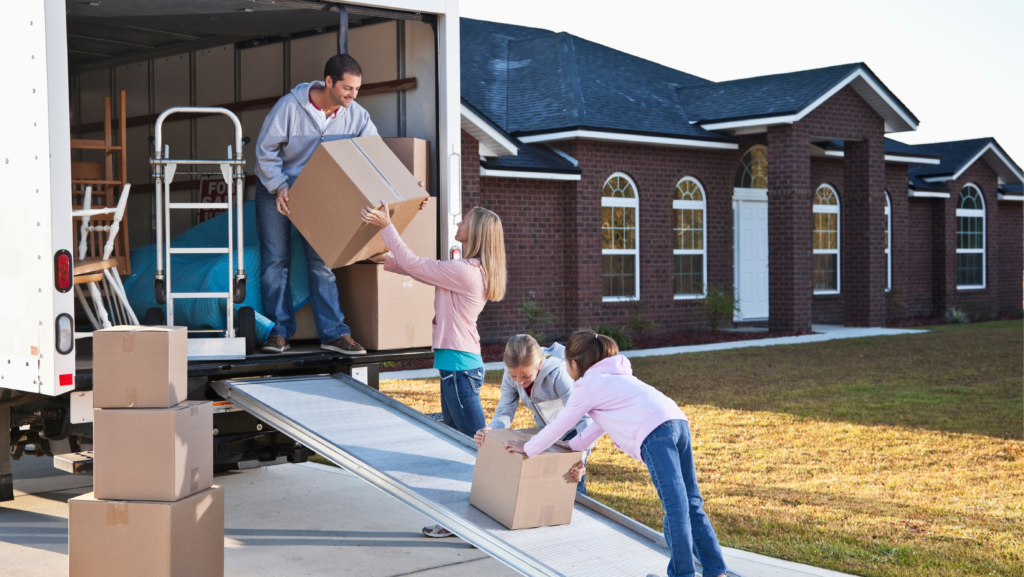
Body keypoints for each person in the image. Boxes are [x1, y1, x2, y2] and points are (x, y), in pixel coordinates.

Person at [503, 330, 729, 577]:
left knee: (675, 508)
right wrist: (575, 444)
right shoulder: (615, 377)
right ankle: (716, 570)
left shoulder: (588, 385)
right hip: (678, 422)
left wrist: (528, 447)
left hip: (656, 433)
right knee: (692, 503)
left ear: (574, 364)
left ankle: (682, 574)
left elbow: (560, 424)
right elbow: (601, 423)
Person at [360, 203, 507, 538]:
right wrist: (380, 260)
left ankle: (484, 523)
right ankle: (459, 521)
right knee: (457, 448)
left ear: (478, 232)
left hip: (459, 369)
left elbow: (416, 264)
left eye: (465, 220)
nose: (458, 221)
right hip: (455, 368)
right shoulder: (466, 269)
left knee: (476, 450)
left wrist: (387, 226)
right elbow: (416, 269)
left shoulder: (467, 271)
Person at [254, 53, 376, 356]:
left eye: (357, 89)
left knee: (322, 264)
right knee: (275, 261)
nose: (353, 95)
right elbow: (264, 150)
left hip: (319, 195)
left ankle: (334, 334)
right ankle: (278, 332)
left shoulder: (357, 115)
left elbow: (372, 155)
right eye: (348, 88)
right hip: (276, 189)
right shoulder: (289, 107)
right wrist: (279, 185)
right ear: (329, 82)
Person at [473, 334, 592, 494]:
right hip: (545, 432)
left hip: (573, 432)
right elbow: (504, 411)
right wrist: (491, 430)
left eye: (526, 376)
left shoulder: (558, 375)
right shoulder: (511, 376)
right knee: (547, 486)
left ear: (540, 364)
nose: (520, 382)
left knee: (572, 487)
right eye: (514, 376)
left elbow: (583, 417)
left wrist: (581, 456)